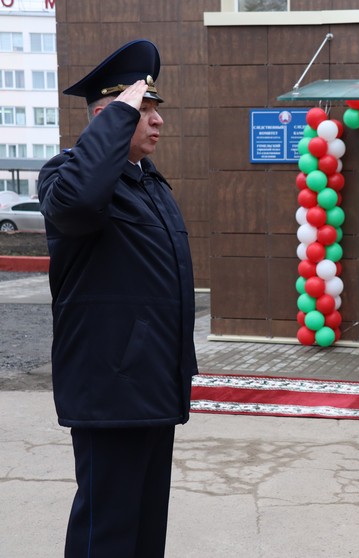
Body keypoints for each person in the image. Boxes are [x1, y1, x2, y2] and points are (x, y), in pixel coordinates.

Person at [38, 39, 197, 558]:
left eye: (154, 109)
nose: (158, 120)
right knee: (106, 530)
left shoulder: (149, 184)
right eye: (144, 109)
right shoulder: (66, 176)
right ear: (108, 118)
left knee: (146, 527)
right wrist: (118, 115)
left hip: (153, 382)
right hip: (109, 385)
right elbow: (79, 203)